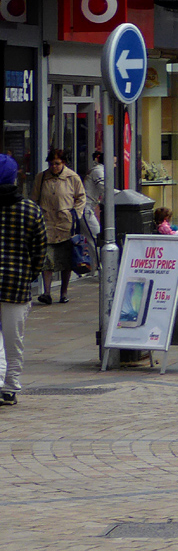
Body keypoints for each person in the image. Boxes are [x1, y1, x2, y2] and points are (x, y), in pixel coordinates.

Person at [0, 153, 47, 407]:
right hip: (16, 285)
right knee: (13, 339)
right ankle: (10, 387)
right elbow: (40, 249)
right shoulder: (30, 209)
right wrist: (31, 274)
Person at [30, 148, 86, 305]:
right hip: (46, 223)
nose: (53, 166)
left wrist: (75, 214)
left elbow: (81, 198)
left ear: (63, 163)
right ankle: (46, 292)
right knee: (46, 259)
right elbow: (34, 198)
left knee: (66, 261)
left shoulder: (72, 177)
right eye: (51, 163)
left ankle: (64, 292)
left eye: (57, 163)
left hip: (64, 224)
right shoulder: (41, 177)